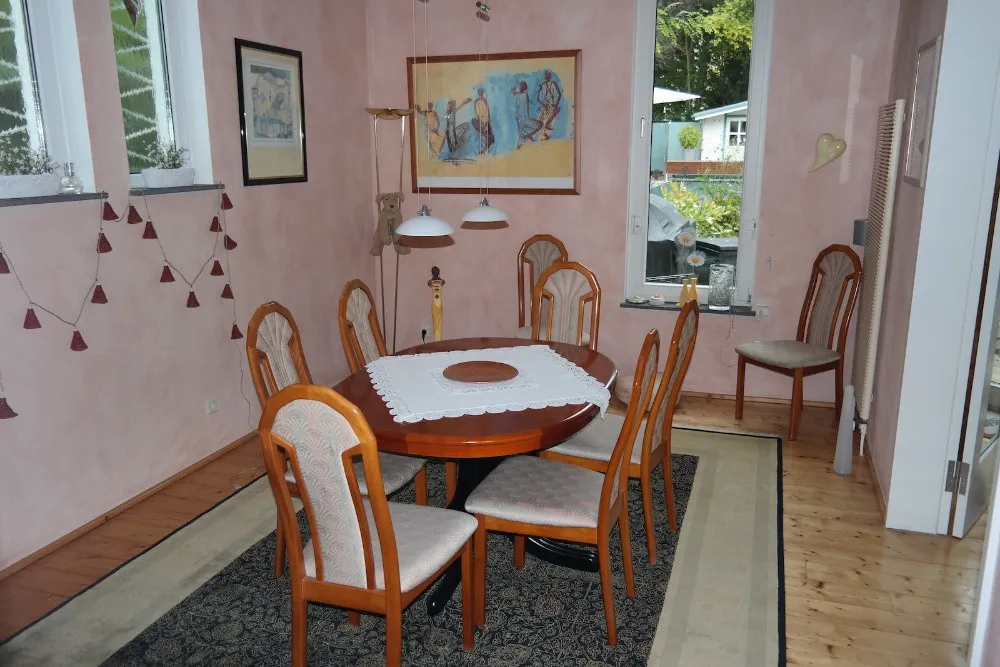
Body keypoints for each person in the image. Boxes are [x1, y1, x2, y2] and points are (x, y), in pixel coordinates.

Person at [511, 80, 542, 148]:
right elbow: (512, 91)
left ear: (525, 87)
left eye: (523, 85)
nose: (521, 86)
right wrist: (513, 88)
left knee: (538, 125)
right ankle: (528, 140)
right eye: (521, 84)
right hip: (519, 117)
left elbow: (527, 107)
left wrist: (528, 116)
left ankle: (529, 139)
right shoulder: (518, 94)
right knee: (522, 131)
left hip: (524, 117)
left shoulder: (525, 95)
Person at [536, 70, 562, 141]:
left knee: (549, 122)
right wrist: (543, 104)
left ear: (550, 76)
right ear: (545, 76)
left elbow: (559, 95)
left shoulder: (553, 83)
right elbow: (537, 98)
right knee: (540, 120)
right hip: (545, 105)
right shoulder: (543, 84)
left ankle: (547, 136)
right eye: (546, 75)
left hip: (552, 105)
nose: (547, 76)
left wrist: (555, 104)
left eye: (549, 75)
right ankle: (544, 135)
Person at [470, 88, 495, 154]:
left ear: (483, 92)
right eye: (479, 92)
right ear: (478, 93)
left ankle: (485, 148)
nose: (480, 93)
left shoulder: (485, 100)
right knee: (481, 133)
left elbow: (487, 111)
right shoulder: (476, 101)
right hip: (480, 119)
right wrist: (480, 119)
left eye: (481, 92)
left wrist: (488, 120)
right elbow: (476, 112)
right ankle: (483, 148)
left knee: (486, 132)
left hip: (486, 119)